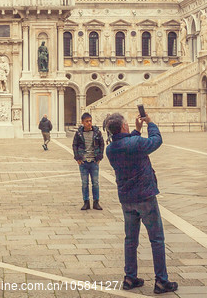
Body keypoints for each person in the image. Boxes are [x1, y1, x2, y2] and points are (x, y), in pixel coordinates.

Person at [103, 112, 178, 294]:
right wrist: (150, 123)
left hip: (127, 199)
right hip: (145, 196)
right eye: (126, 124)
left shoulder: (111, 149)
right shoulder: (135, 144)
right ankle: (161, 280)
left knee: (130, 239)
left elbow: (128, 144)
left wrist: (136, 130)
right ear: (123, 127)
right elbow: (156, 140)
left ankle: (130, 277)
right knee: (157, 239)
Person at [72, 112, 104, 211]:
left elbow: (102, 144)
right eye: (87, 121)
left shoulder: (97, 132)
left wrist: (99, 157)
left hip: (94, 161)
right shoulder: (78, 133)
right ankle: (86, 202)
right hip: (83, 161)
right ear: (82, 122)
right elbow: (75, 145)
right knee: (85, 183)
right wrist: (77, 158)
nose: (89, 123)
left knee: (95, 183)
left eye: (90, 121)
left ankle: (96, 202)